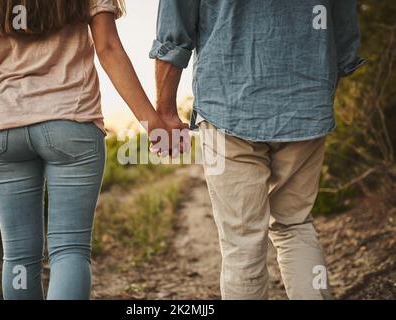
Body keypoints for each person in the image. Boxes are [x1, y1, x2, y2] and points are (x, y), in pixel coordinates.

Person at [0, 0, 185, 300]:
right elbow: (108, 48)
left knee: (19, 256)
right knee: (69, 251)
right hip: (71, 126)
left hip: (4, 131)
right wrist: (153, 121)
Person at [150, 0, 364, 300]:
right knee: (295, 225)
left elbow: (174, 28)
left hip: (228, 102)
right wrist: (315, 93)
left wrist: (165, 111)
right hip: (305, 102)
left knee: (242, 242)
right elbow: (343, 27)